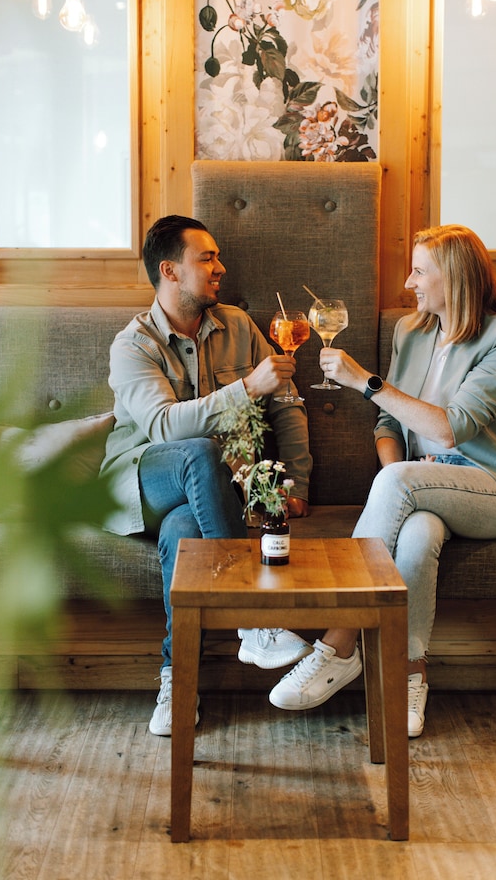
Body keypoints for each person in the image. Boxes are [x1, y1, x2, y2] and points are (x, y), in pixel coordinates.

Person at [266, 224, 496, 738]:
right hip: (423, 483)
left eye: (420, 271)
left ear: (457, 278)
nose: (409, 283)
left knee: (407, 488)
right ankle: (409, 673)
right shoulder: (411, 331)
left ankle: (337, 643)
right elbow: (389, 425)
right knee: (419, 533)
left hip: (494, 487)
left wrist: (364, 381)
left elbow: (452, 427)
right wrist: (396, 479)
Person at [100, 215, 313, 736]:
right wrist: (247, 389)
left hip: (201, 496)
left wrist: (300, 485)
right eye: (207, 258)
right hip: (139, 479)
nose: (221, 267)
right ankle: (252, 616)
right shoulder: (132, 346)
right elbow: (164, 427)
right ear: (170, 271)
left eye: (218, 257)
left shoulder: (239, 326)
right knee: (198, 449)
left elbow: (287, 403)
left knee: (184, 535)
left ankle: (177, 681)